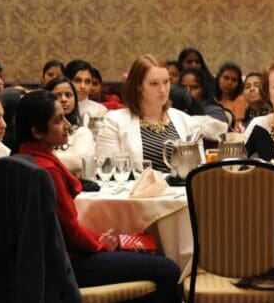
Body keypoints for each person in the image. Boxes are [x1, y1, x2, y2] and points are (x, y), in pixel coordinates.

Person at [16, 90, 180, 301]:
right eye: (58, 120)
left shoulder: (20, 160)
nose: (67, 124)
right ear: (38, 132)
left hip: (40, 265)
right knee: (168, 269)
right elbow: (70, 232)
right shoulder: (48, 170)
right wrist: (102, 244)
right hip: (66, 266)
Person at [96, 54, 225, 173]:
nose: (163, 90)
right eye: (154, 84)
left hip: (179, 195)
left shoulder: (186, 121)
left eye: (166, 81)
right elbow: (107, 171)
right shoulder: (114, 121)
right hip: (134, 194)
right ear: (138, 86)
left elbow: (198, 171)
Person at [43, 76, 95, 176]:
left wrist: (42, 157)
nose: (63, 99)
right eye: (57, 96)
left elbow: (78, 162)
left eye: (68, 95)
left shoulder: (82, 132)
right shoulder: (41, 132)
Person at [214, 62, 247, 127]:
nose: (229, 82)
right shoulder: (211, 98)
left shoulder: (240, 101)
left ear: (238, 83)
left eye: (234, 80)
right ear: (218, 78)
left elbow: (237, 127)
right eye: (226, 78)